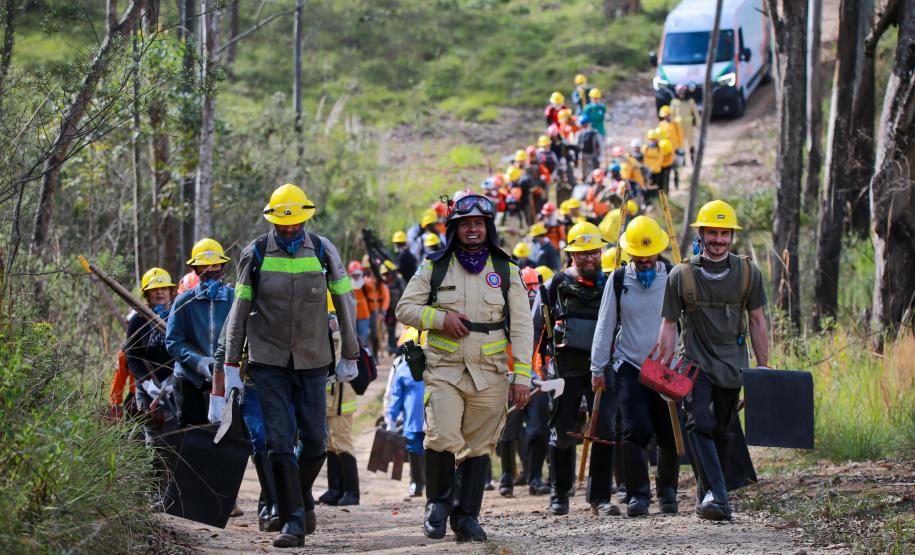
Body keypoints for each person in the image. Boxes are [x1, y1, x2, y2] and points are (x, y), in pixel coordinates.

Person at [223, 183, 360, 547]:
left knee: (315, 443)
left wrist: (350, 351)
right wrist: (231, 363)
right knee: (279, 443)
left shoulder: (323, 250)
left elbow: (345, 300)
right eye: (282, 223)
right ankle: (293, 522)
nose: (288, 228)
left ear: (305, 218)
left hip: (313, 360)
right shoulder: (255, 253)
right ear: (272, 220)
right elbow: (239, 309)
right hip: (268, 362)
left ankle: (295, 500)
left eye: (295, 222)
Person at [395, 192, 534, 542]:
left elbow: (521, 327)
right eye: (465, 224)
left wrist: (522, 376)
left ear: (488, 228)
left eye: (479, 223)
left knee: (479, 446)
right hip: (444, 369)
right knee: (441, 436)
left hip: (490, 373)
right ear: (453, 229)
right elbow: (404, 308)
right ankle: (437, 505)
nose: (473, 229)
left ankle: (466, 517)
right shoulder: (435, 266)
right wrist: (439, 319)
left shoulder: (506, 270)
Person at [656, 200, 770, 522]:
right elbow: (668, 324)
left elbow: (757, 321)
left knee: (723, 430)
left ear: (731, 236)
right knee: (698, 423)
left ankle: (706, 494)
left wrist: (763, 367)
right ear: (701, 233)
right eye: (712, 233)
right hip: (694, 362)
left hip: (732, 363)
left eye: (724, 233)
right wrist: (664, 368)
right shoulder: (681, 275)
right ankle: (719, 497)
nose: (718, 240)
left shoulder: (748, 273)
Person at [591, 216, 680, 517]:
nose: (644, 261)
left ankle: (668, 493)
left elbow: (688, 321)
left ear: (658, 251)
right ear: (629, 252)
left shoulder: (673, 276)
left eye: (649, 255)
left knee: (668, 431)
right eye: (638, 256)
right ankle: (637, 495)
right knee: (634, 429)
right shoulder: (618, 281)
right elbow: (605, 324)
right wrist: (597, 367)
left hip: (667, 366)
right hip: (630, 366)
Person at [532, 221, 619, 517]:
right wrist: (534, 369)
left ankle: (600, 498)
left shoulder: (611, 285)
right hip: (563, 370)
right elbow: (536, 327)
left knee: (605, 431)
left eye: (594, 252)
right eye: (583, 253)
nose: (590, 258)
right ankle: (560, 494)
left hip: (603, 369)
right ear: (572, 254)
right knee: (562, 431)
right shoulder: (553, 286)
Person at [166, 238, 234, 428]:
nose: (210, 271)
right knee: (193, 436)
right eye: (204, 267)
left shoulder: (234, 299)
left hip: (226, 379)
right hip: (189, 380)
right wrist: (199, 362)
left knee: (226, 434)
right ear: (195, 270)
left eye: (215, 266)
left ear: (222, 266)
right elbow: (173, 342)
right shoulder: (183, 302)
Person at [125, 268, 177, 442]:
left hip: (175, 385)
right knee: (152, 437)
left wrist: (174, 380)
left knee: (177, 434)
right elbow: (132, 356)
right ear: (147, 294)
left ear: (171, 291)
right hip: (147, 388)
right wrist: (146, 382)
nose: (160, 292)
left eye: (164, 288)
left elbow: (186, 349)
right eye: (154, 289)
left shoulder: (179, 317)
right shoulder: (137, 321)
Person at [387, 327, 427, 497]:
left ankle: (431, 483)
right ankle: (416, 482)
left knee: (434, 450)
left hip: (432, 420)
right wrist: (391, 418)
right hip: (412, 421)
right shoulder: (403, 368)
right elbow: (396, 396)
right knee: (414, 450)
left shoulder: (435, 366)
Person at [670, 84, 699, 162]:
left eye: (682, 91)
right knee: (680, 144)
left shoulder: (690, 101)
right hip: (679, 127)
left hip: (689, 126)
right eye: (679, 91)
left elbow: (696, 113)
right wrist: (671, 126)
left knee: (691, 143)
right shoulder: (674, 102)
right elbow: (672, 115)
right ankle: (683, 161)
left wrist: (698, 123)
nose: (681, 93)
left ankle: (693, 160)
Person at [350, 261, 372, 347]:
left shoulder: (367, 285)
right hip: (352, 317)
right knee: (354, 339)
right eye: (354, 275)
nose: (356, 277)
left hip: (364, 316)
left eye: (358, 274)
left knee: (363, 339)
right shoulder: (348, 285)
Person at [582, 88, 607, 156]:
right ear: (591, 98)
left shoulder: (602, 107)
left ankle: (601, 158)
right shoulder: (587, 108)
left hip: (600, 129)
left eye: (597, 98)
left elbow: (604, 117)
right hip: (590, 130)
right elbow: (584, 119)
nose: (595, 100)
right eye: (594, 98)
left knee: (601, 146)